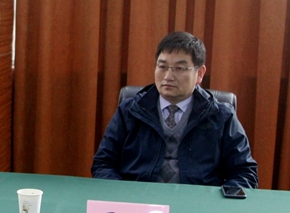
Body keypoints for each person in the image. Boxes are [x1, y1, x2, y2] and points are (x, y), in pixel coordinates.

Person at [91, 31, 258, 188]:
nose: (168, 77)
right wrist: (122, 196)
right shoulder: (130, 110)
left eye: (179, 68)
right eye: (162, 67)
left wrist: (215, 202)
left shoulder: (221, 116)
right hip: (138, 201)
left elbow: (244, 173)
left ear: (200, 73)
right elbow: (103, 163)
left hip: (197, 203)